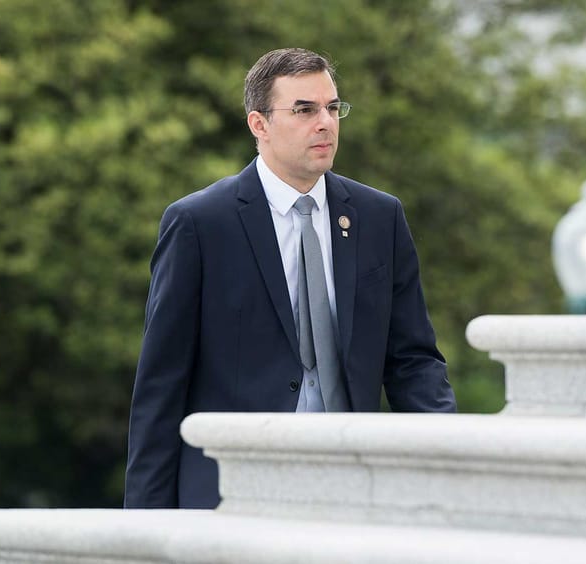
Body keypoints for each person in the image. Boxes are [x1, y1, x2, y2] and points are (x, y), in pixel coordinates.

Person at [124, 48, 456, 510]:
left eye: (332, 108)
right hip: (232, 490)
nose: (325, 123)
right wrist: (145, 524)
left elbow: (413, 360)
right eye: (304, 110)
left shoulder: (380, 217)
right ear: (258, 124)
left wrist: (448, 464)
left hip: (352, 488)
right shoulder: (200, 223)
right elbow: (161, 384)